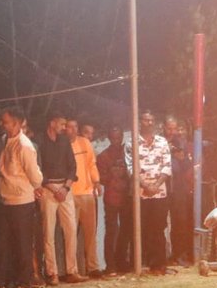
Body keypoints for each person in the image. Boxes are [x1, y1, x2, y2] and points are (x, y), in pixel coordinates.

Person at [0, 107, 42, 288]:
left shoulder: (25, 146)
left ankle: (25, 286)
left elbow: (36, 177)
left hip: (22, 201)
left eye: (5, 121)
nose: (2, 124)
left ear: (16, 123)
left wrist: (31, 186)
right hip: (5, 200)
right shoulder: (5, 141)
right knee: (1, 245)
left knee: (23, 244)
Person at [38, 111, 85, 285]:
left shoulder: (64, 141)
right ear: (52, 123)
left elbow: (72, 167)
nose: (65, 128)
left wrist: (65, 187)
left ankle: (71, 270)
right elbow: (37, 169)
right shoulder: (40, 141)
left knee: (71, 229)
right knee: (48, 232)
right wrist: (51, 187)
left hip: (65, 189)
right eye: (62, 124)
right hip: (48, 189)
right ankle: (52, 273)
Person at [126, 111, 172, 274]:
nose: (149, 123)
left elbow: (167, 166)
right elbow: (131, 168)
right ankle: (140, 263)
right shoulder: (132, 142)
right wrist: (145, 185)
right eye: (146, 120)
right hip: (141, 194)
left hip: (159, 193)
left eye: (152, 120)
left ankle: (159, 264)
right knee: (141, 229)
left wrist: (156, 185)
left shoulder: (162, 142)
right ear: (140, 122)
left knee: (158, 229)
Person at [67, 118, 102, 277]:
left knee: (90, 233)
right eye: (69, 127)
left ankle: (93, 267)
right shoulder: (62, 145)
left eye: (75, 127)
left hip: (87, 193)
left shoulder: (85, 143)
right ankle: (71, 270)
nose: (72, 130)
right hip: (70, 194)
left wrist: (96, 181)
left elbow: (91, 164)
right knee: (71, 234)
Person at [97, 123, 131, 274]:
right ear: (109, 138)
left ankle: (122, 261)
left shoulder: (128, 153)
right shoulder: (103, 156)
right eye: (113, 137)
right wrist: (112, 174)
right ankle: (110, 265)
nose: (116, 139)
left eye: (119, 137)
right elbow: (101, 179)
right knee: (111, 231)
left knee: (126, 230)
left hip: (127, 197)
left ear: (122, 137)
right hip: (111, 198)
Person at [164, 117, 194, 265]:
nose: (172, 131)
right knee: (159, 223)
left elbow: (188, 165)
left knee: (180, 222)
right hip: (162, 188)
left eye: (174, 128)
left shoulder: (181, 144)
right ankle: (160, 256)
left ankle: (179, 254)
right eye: (169, 128)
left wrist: (181, 158)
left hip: (179, 188)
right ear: (164, 128)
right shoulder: (159, 143)